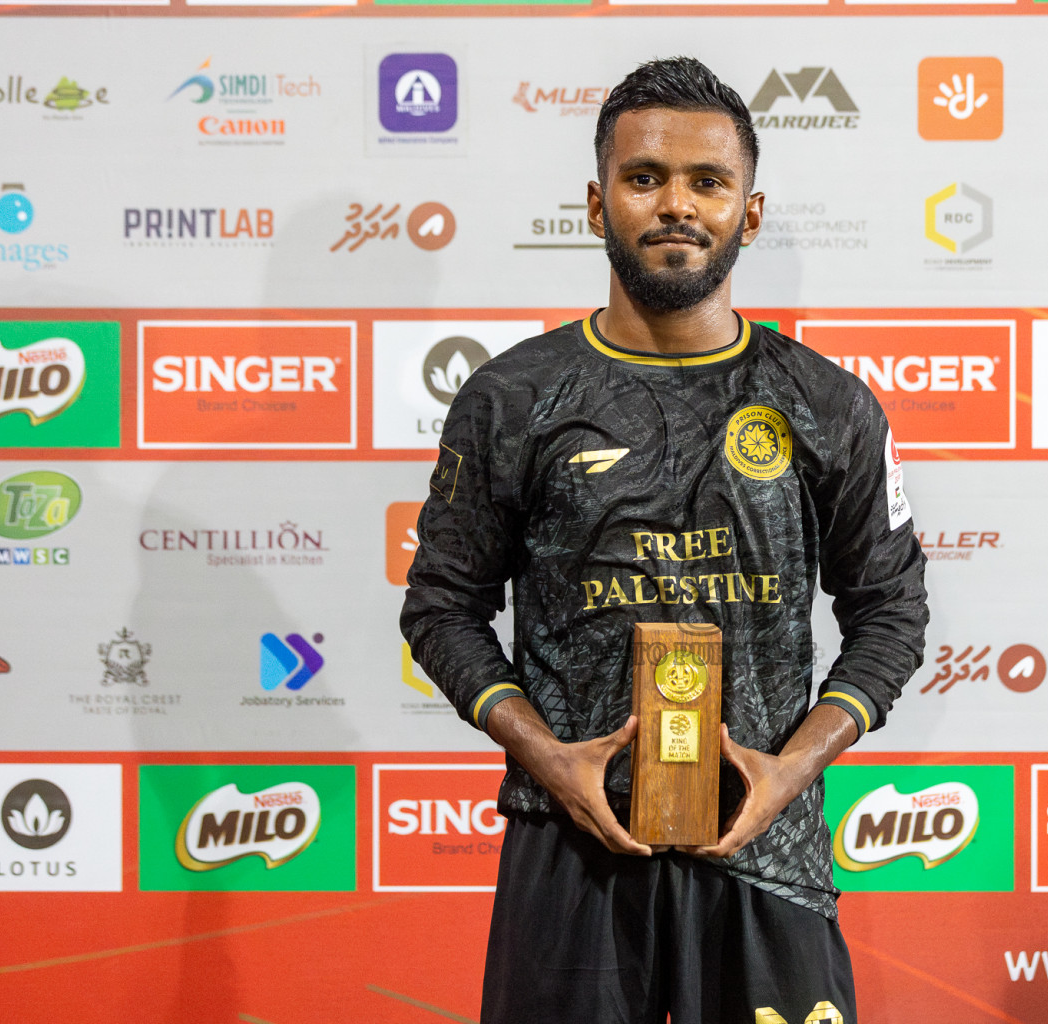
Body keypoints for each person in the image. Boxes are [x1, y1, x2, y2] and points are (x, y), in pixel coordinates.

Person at [399, 56, 928, 1024]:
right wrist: (544, 754)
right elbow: (440, 607)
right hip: (572, 847)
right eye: (645, 178)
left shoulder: (828, 405)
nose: (675, 204)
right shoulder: (512, 397)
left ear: (750, 213)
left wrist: (792, 767)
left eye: (707, 181)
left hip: (766, 848)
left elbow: (891, 612)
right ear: (597, 203)